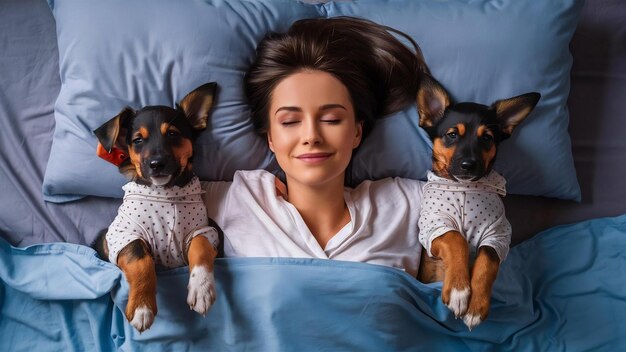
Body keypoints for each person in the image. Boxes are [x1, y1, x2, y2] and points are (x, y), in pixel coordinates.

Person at [202, 17, 428, 277]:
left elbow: (479, 203)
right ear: (270, 139)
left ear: (356, 131)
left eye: (331, 119)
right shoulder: (242, 199)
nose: (311, 136)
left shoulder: (404, 202)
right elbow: (152, 202)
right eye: (290, 121)